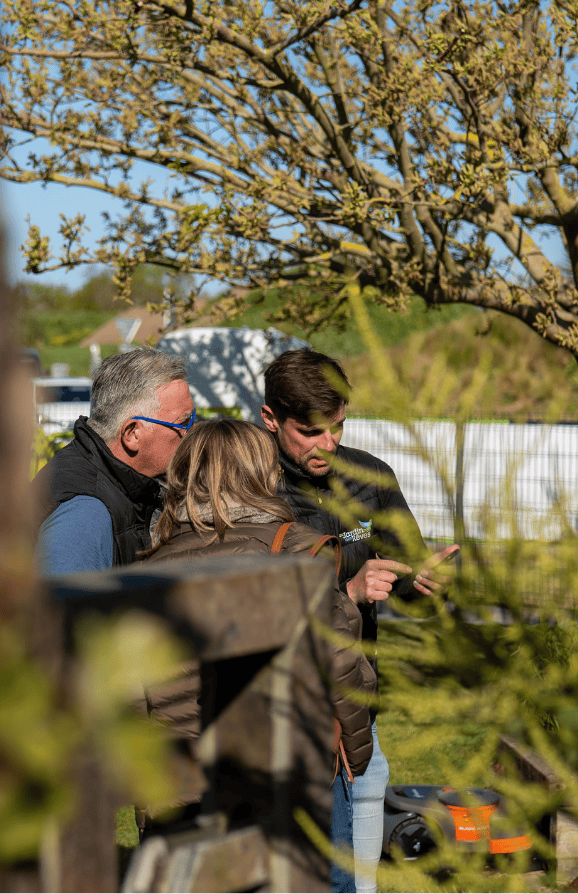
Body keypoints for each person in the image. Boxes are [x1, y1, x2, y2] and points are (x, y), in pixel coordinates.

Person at [142, 418, 377, 892]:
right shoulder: (296, 554)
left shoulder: (146, 572)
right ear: (264, 476)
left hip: (181, 789)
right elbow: (345, 671)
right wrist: (355, 755)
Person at [261, 348, 458, 894]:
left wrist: (426, 585)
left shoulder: (370, 476)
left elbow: (406, 575)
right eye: (310, 431)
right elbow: (254, 600)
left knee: (358, 858)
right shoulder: (251, 487)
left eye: (338, 427)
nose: (328, 445)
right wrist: (345, 592)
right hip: (278, 705)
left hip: (355, 698)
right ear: (270, 419)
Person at [34, 348, 194, 576]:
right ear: (132, 434)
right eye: (183, 423)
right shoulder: (85, 515)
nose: (191, 434)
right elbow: (63, 607)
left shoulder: (115, 481)